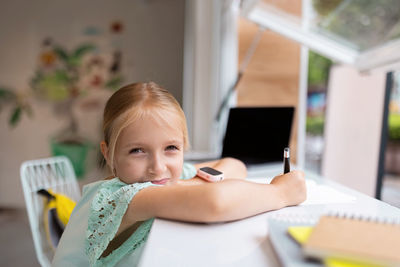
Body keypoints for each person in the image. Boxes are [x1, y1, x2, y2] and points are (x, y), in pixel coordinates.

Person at [53, 82, 306, 267]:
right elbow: (214, 203)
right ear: (108, 155)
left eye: (171, 148)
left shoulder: (167, 177)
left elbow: (234, 164)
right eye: (137, 150)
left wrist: (188, 183)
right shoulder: (119, 197)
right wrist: (280, 192)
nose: (158, 167)